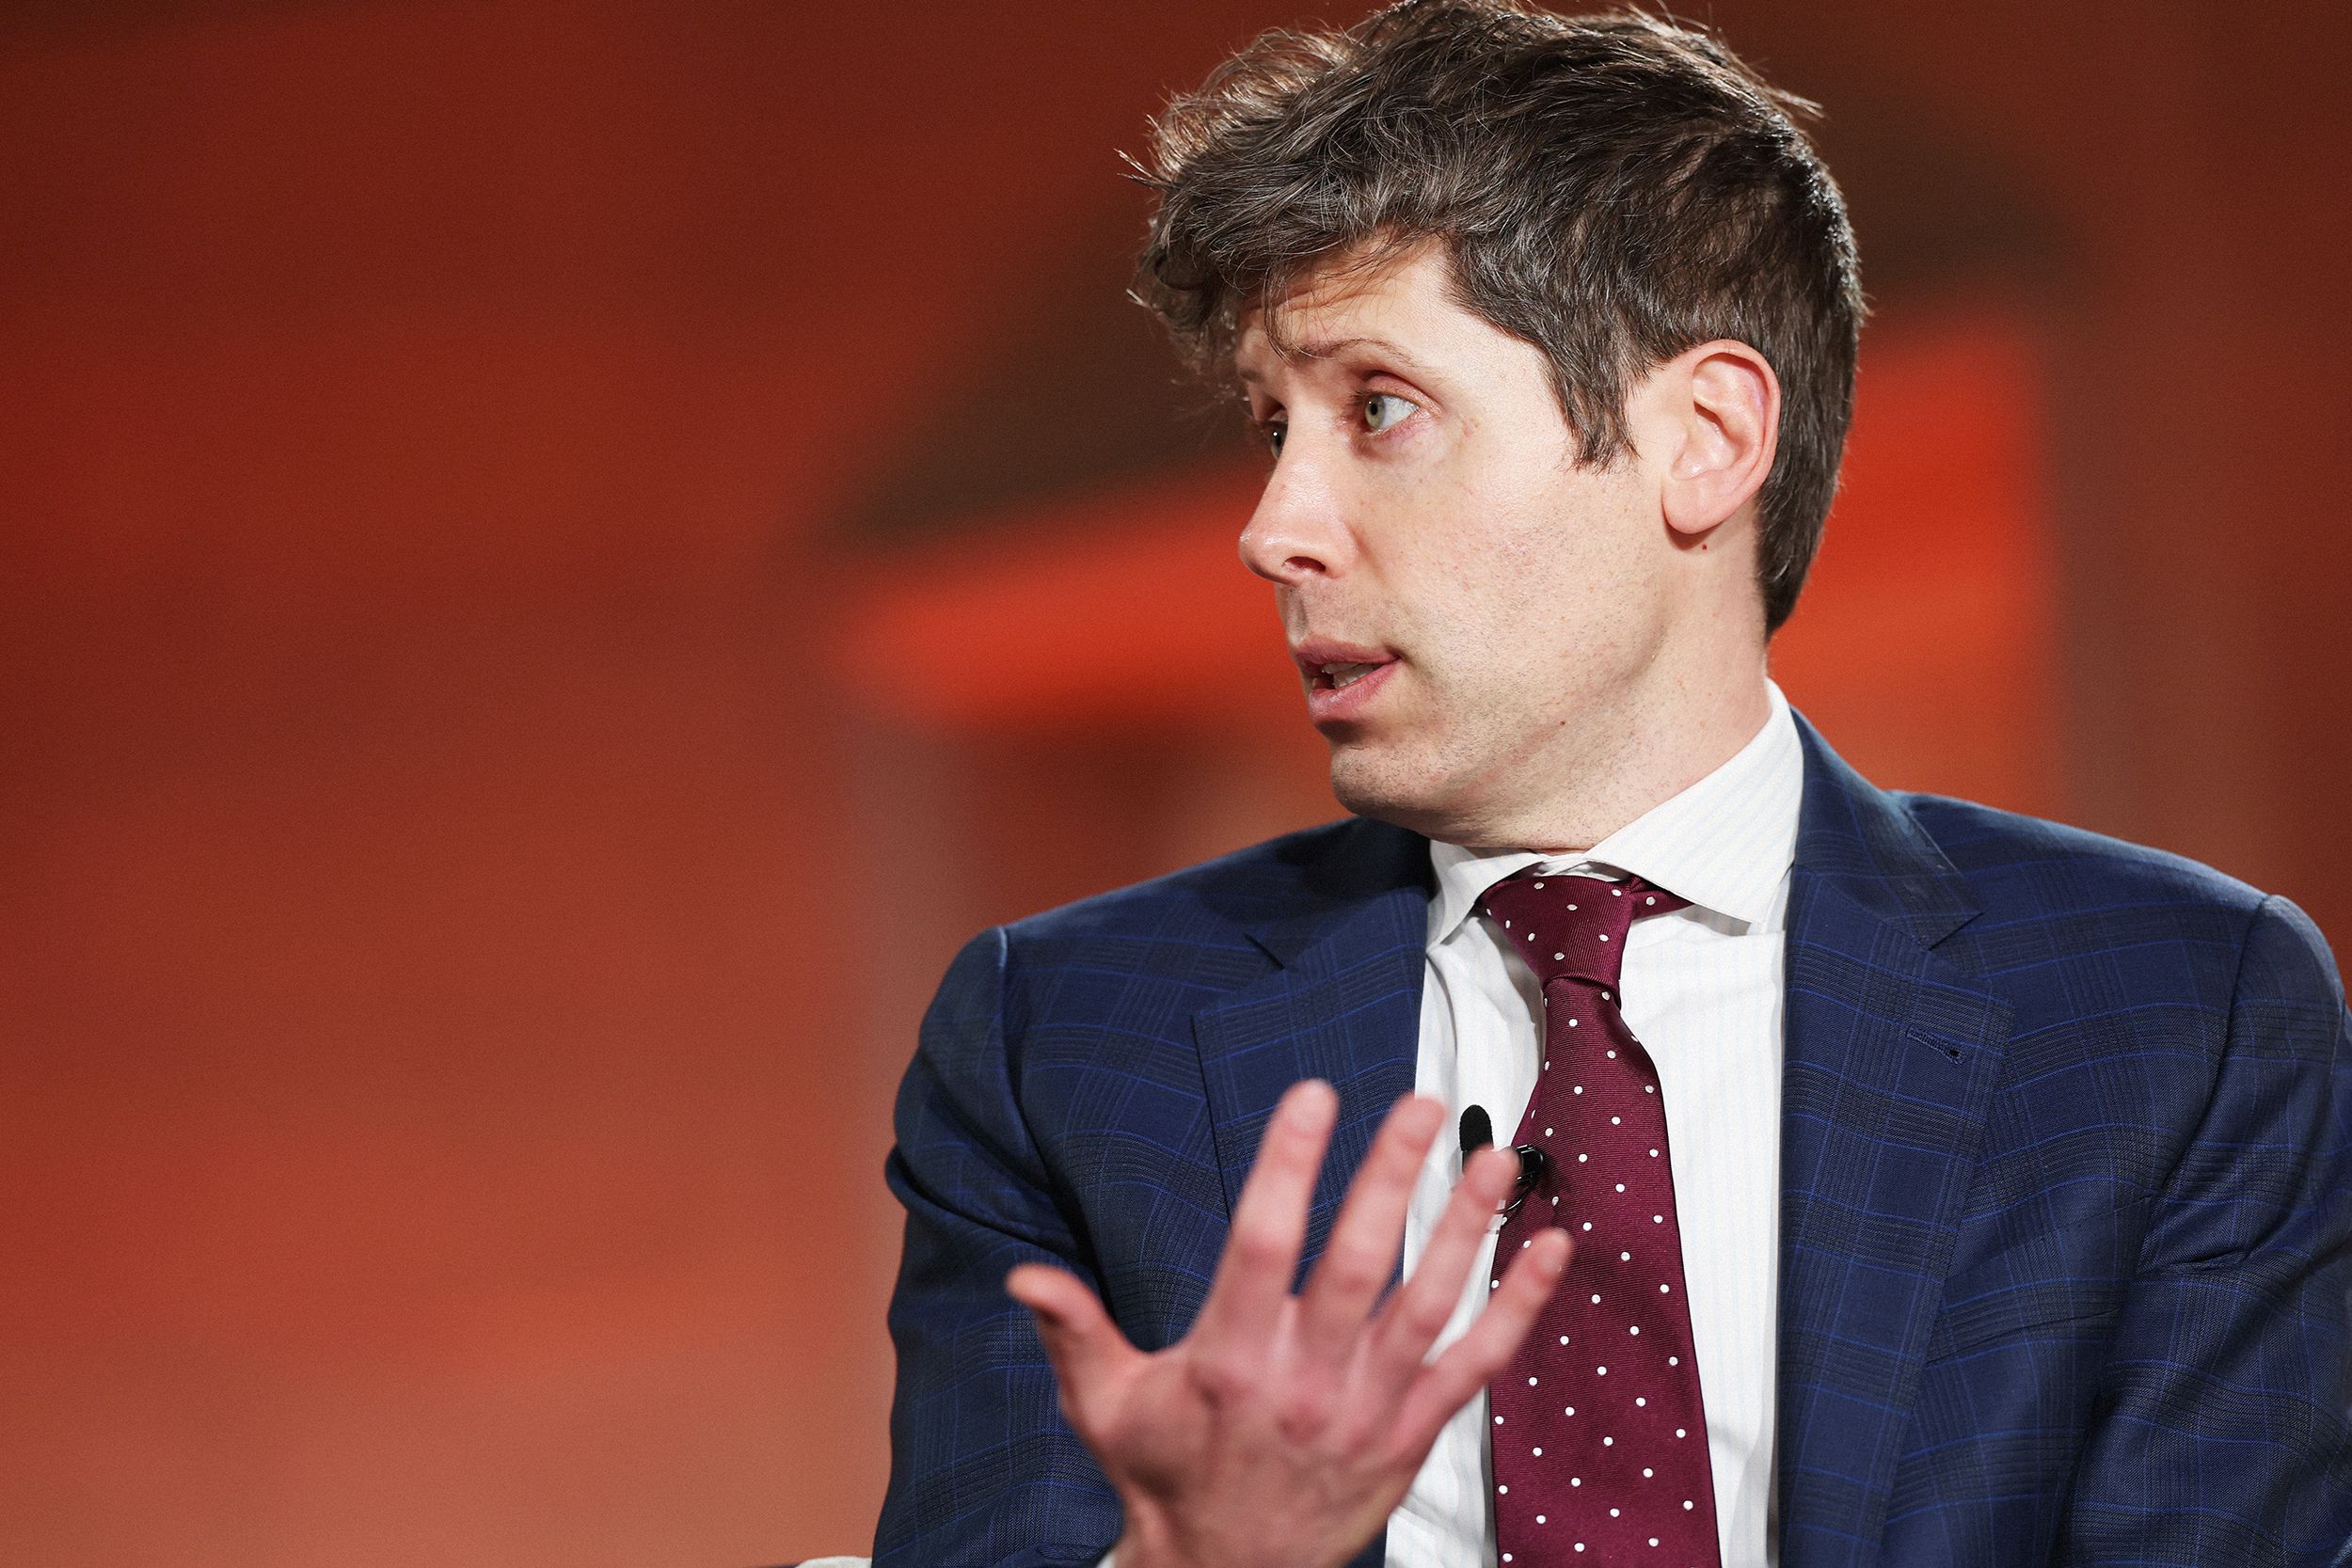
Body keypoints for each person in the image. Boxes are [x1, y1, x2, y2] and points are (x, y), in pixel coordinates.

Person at [871, 4, 2352, 1565]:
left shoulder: (2176, 1014)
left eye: (1378, 408)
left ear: (1705, 439)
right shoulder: (1058, 1045)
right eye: (1269, 428)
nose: (1273, 527)